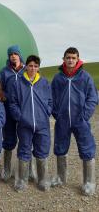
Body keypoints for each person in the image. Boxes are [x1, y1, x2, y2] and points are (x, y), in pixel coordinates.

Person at [51, 47, 98, 196]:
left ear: (78, 59)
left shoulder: (85, 77)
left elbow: (92, 97)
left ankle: (89, 182)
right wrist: (56, 114)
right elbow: (51, 98)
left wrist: (85, 115)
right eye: (68, 57)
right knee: (60, 147)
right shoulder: (58, 78)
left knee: (87, 149)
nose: (70, 60)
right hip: (62, 120)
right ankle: (60, 177)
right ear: (63, 59)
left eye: (73, 58)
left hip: (80, 120)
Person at [9, 55, 52, 192]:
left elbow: (50, 100)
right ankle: (22, 180)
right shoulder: (18, 83)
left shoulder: (44, 82)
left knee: (42, 150)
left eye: (35, 66)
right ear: (26, 66)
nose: (33, 68)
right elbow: (13, 103)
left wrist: (47, 112)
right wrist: (19, 117)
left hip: (42, 124)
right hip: (24, 124)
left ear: (38, 68)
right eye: (30, 65)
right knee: (24, 150)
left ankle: (42, 180)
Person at [0, 45, 36, 182]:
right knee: (9, 140)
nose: (13, 56)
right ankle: (7, 170)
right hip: (8, 111)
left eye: (15, 53)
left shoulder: (27, 70)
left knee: (27, 140)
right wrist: (8, 97)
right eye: (11, 54)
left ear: (19, 55)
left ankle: (30, 170)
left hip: (25, 111)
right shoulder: (4, 72)